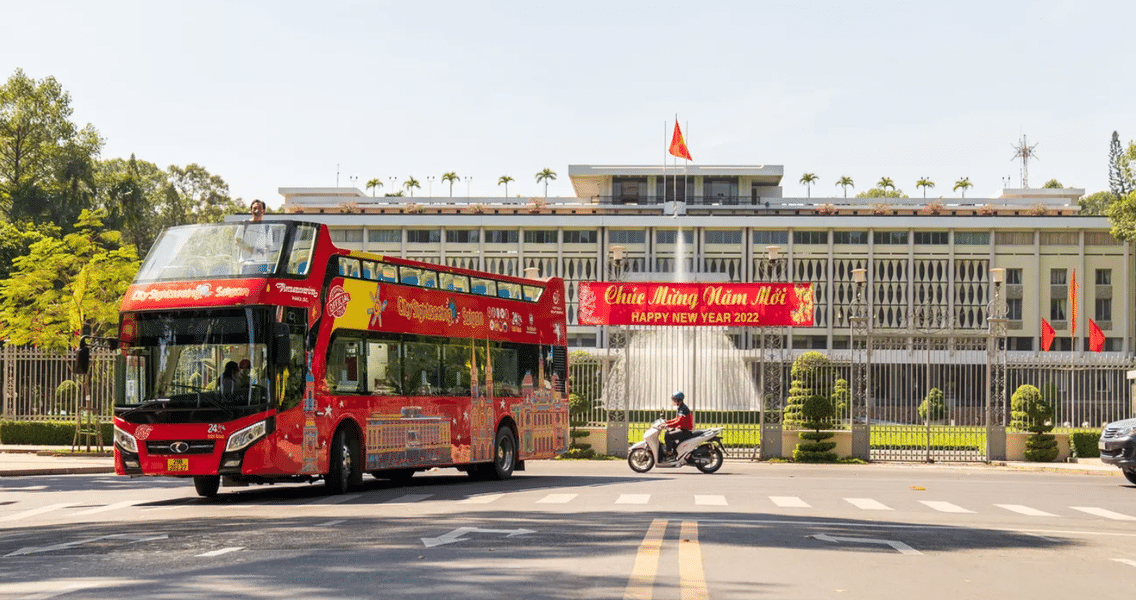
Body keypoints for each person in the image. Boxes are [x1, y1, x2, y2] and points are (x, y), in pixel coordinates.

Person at [663, 391, 694, 459]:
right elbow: (676, 419)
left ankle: (669, 453)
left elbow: (679, 422)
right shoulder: (681, 407)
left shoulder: (683, 409)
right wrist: (667, 422)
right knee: (668, 432)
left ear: (678, 400)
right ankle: (674, 451)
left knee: (668, 436)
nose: (673, 401)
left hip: (685, 431)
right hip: (682, 429)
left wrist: (667, 425)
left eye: (674, 399)